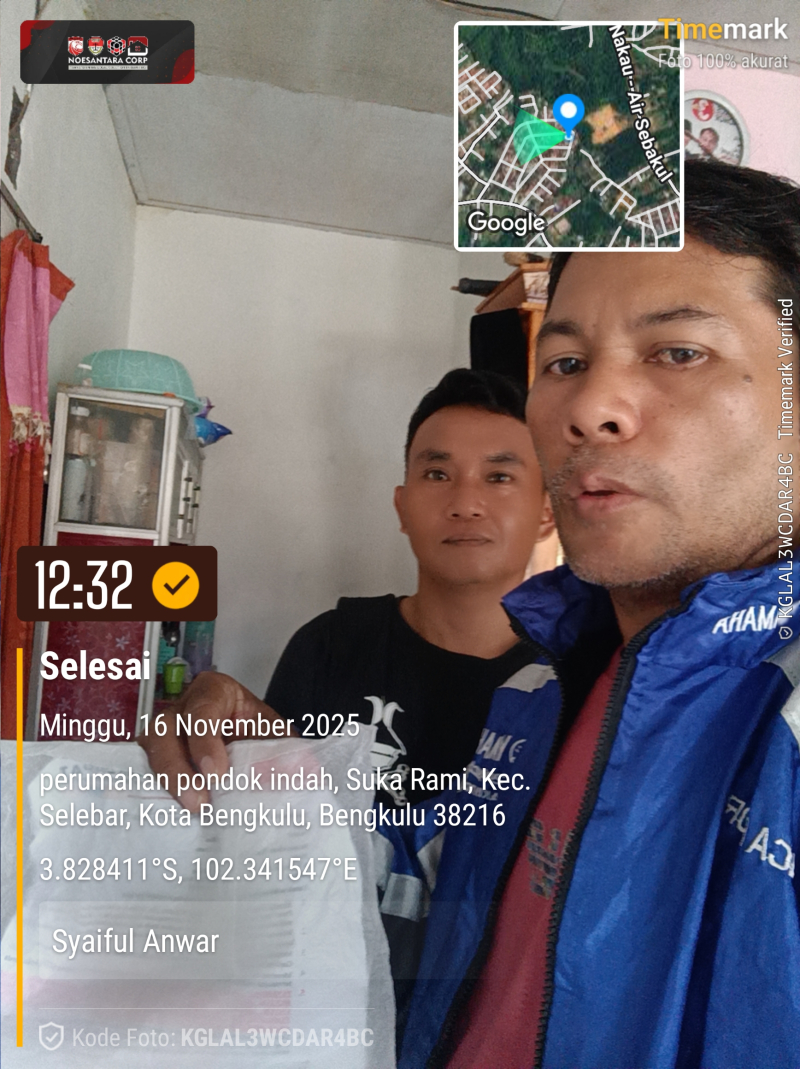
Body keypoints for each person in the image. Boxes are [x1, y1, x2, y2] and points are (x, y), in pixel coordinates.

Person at [386, 159, 800, 1069]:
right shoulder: (542, 682)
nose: (589, 407)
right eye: (565, 363)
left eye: (678, 352)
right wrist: (257, 771)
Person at [140, 368, 555, 817]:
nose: (466, 504)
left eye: (499, 477)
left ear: (548, 512)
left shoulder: (577, 680)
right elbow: (276, 814)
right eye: (438, 474)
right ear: (402, 508)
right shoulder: (329, 648)